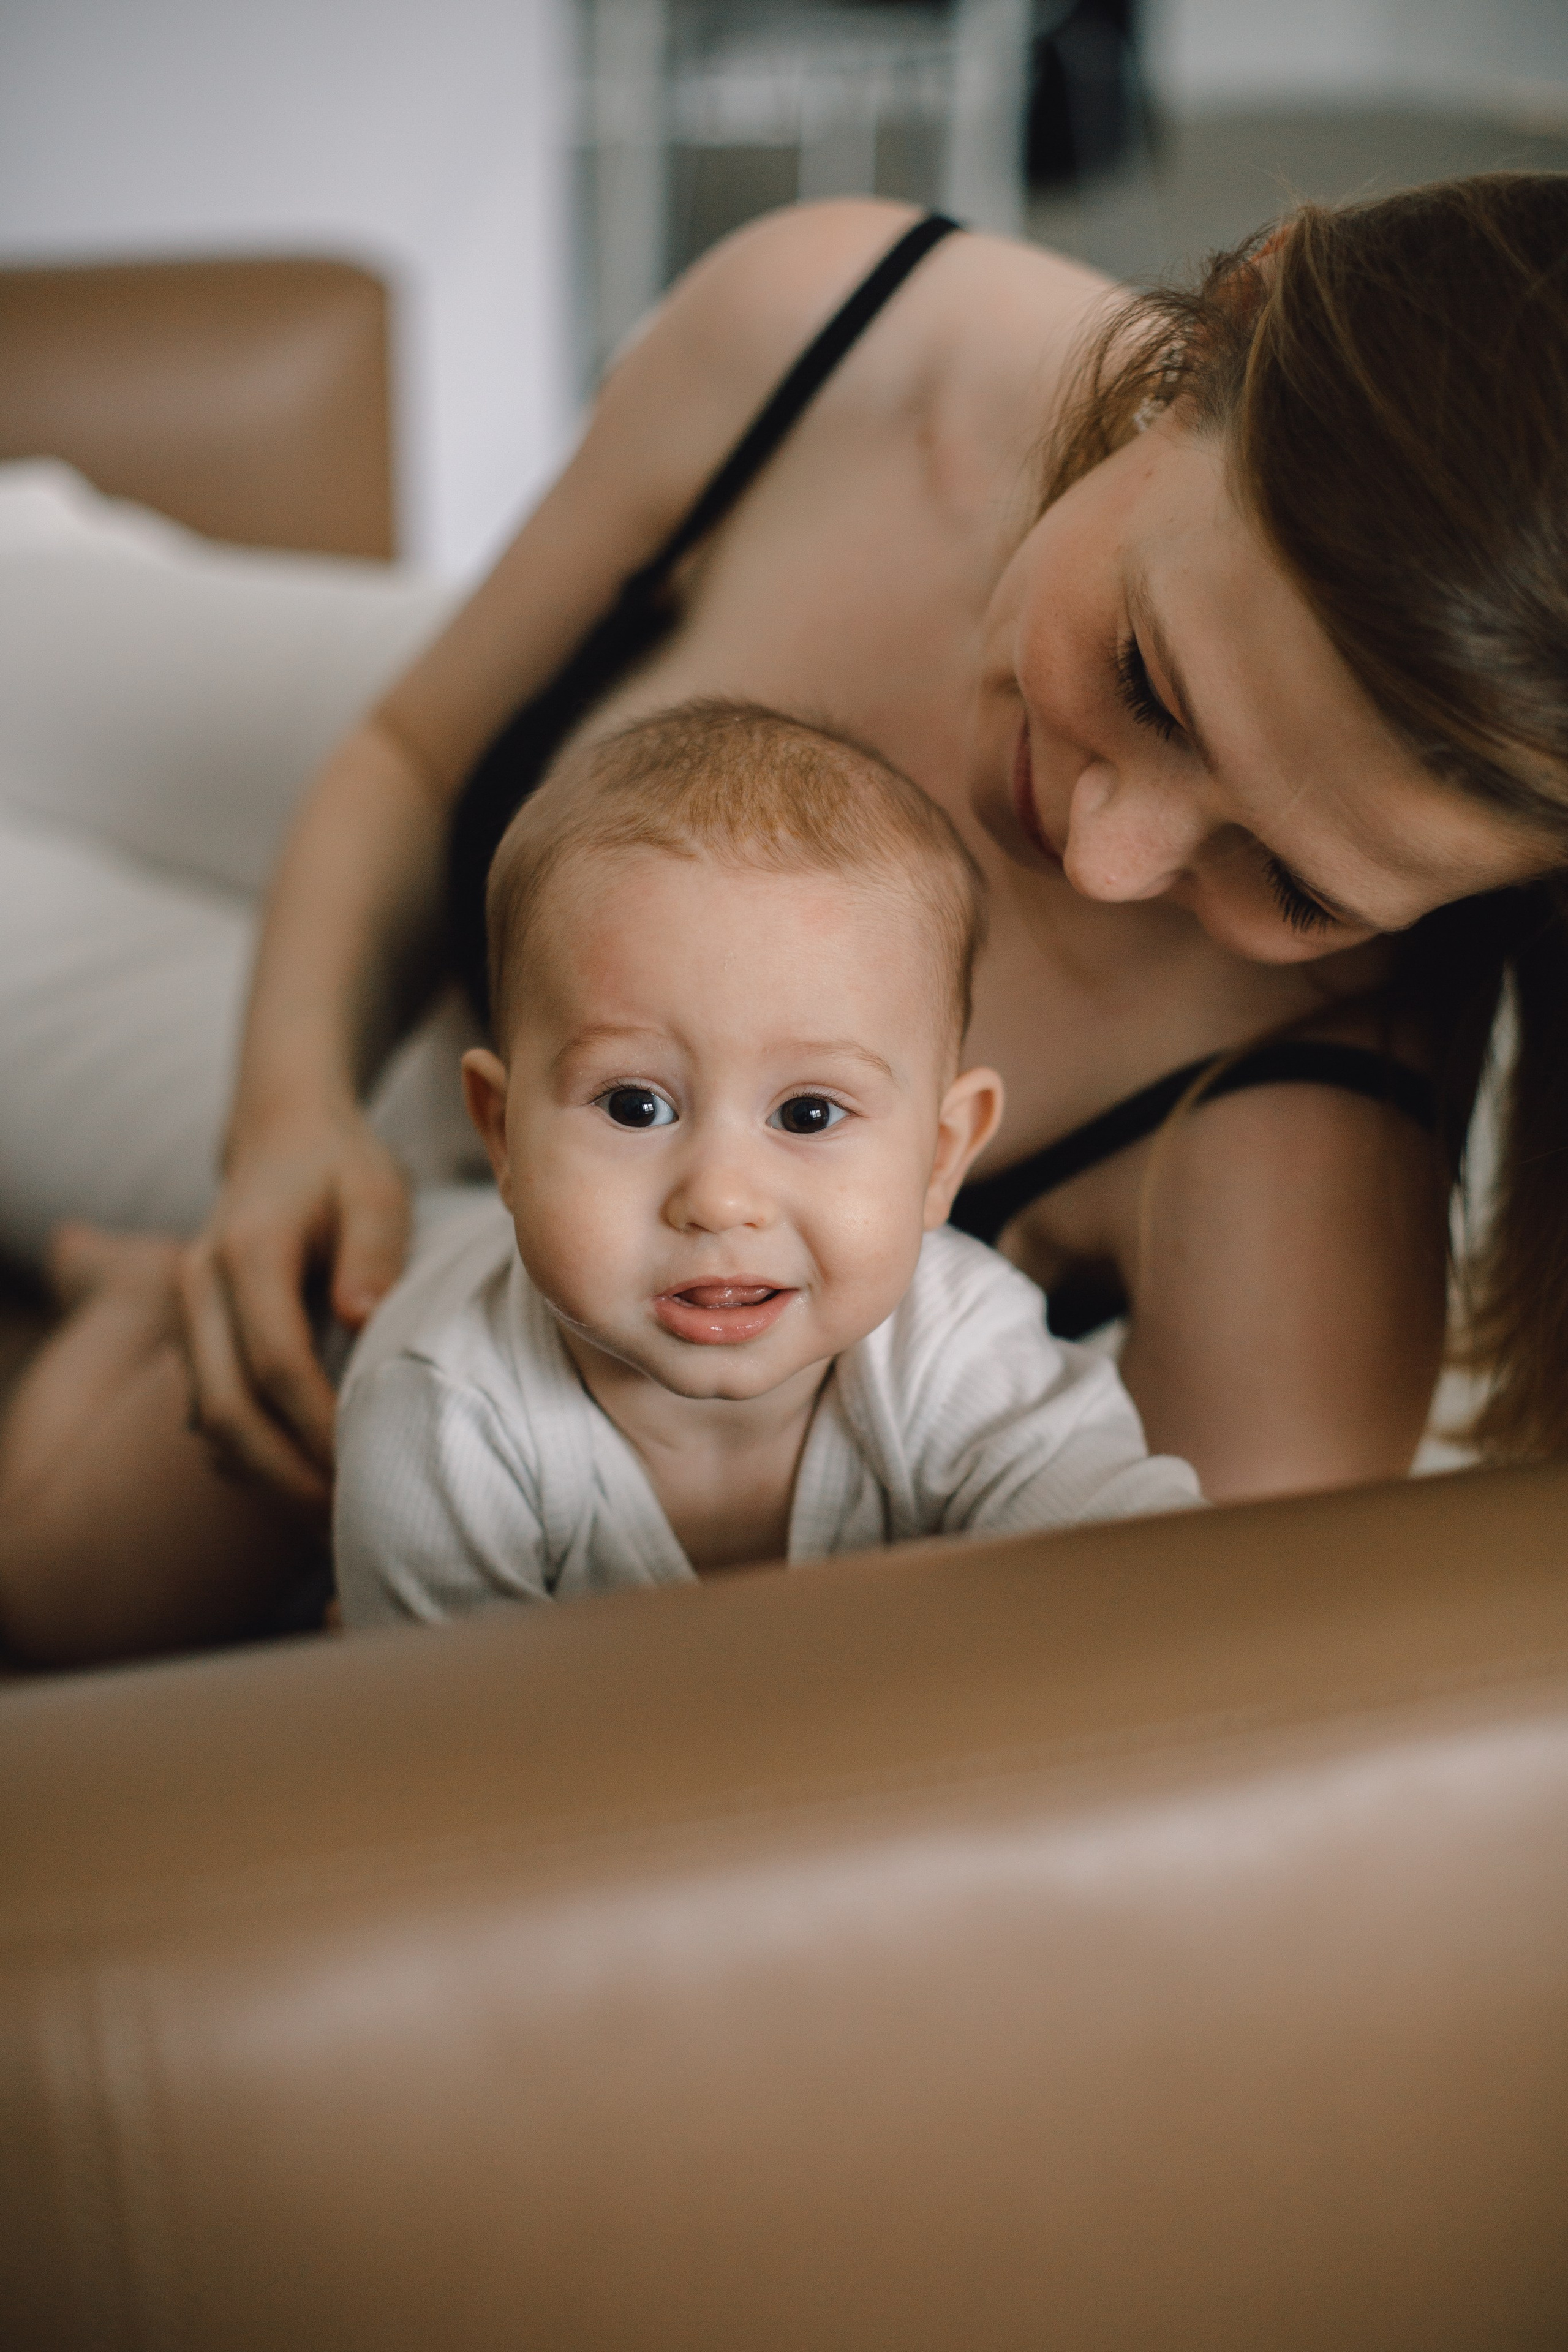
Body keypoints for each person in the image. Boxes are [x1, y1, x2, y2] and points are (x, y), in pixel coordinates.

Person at [6, 176, 1568, 1662]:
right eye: (1150, 682)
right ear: (1226, 321)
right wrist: (279, 1124)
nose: (1100, 855)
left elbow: (1169, 1698)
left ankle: (136, 1280)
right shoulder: (852, 331)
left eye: (1297, 884)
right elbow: (412, 757)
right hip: (460, 795)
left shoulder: (1300, 1158)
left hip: (496, 1162)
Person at [334, 701, 1200, 1625]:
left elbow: (1142, 1585)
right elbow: (457, 1755)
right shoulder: (447, 1424)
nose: (719, 1199)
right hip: (341, 1316)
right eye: (636, 1106)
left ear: (942, 1156)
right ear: (503, 1136)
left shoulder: (956, 1350)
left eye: (808, 1113)